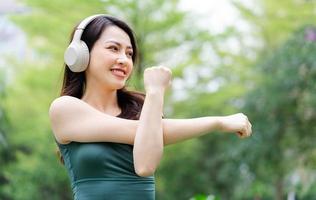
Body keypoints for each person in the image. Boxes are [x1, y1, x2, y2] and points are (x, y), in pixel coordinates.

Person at [48, 14, 252, 200]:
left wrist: (153, 106)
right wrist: (156, 92)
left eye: (129, 54)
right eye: (113, 48)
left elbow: (146, 159)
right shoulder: (64, 109)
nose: (124, 60)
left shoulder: (144, 111)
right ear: (80, 54)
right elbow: (145, 163)